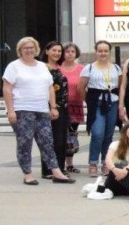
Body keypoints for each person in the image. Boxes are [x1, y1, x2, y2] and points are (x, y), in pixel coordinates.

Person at [3, 36, 74, 185]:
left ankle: (56, 172)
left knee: (47, 142)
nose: (29, 50)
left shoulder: (42, 66)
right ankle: (27, 173)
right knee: (25, 143)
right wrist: (11, 110)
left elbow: (50, 87)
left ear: (36, 50)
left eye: (32, 48)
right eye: (26, 48)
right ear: (20, 50)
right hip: (22, 110)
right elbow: (7, 89)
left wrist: (53, 107)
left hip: (42, 110)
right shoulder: (14, 66)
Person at [79, 40, 121, 177]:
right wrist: (90, 101)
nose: (103, 53)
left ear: (109, 52)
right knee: (97, 133)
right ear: (96, 52)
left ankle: (106, 162)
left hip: (112, 103)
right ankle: (93, 162)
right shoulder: (89, 68)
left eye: (105, 51)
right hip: (97, 103)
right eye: (100, 51)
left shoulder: (116, 68)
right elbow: (80, 88)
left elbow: (120, 86)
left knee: (108, 135)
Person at [40, 41, 69, 180]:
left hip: (63, 108)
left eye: (59, 51)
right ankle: (48, 170)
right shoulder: (42, 68)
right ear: (46, 51)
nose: (57, 53)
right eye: (54, 50)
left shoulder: (59, 68)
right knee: (50, 139)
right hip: (49, 108)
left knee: (61, 139)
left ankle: (60, 168)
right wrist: (51, 107)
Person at [102, 119, 129, 201]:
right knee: (116, 165)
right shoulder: (115, 144)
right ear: (126, 129)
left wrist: (125, 170)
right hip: (115, 181)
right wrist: (115, 170)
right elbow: (108, 160)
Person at [60, 42, 85, 174]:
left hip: (75, 106)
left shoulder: (81, 68)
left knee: (71, 135)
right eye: (67, 51)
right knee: (60, 135)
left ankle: (69, 164)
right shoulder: (58, 68)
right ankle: (59, 164)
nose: (70, 54)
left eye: (72, 52)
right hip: (60, 106)